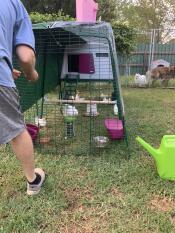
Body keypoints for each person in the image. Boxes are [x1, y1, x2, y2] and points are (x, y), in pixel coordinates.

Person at [0, 0, 45, 195]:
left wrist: (8, 68)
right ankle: (33, 181)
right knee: (17, 130)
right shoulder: (13, 4)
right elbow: (26, 57)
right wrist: (31, 74)